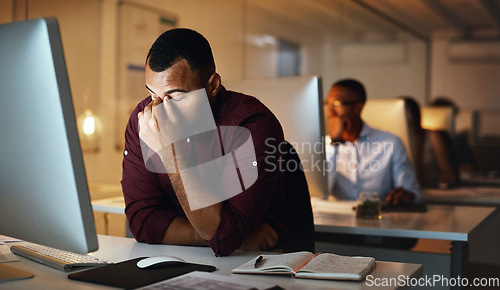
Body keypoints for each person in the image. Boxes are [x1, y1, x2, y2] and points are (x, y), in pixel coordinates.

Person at [121, 28, 306, 256]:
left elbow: (224, 238)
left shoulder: (253, 125)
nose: (159, 111)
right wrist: (235, 237)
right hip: (181, 259)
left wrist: (170, 152)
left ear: (213, 85)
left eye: (176, 96)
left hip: (255, 264)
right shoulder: (143, 119)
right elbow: (143, 222)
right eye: (152, 94)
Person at [325, 79, 423, 205]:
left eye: (337, 103)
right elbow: (320, 193)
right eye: (328, 103)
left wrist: (406, 196)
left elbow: (415, 194)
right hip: (336, 219)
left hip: (378, 218)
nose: (330, 111)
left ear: (358, 107)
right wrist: (334, 143)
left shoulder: (390, 143)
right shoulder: (325, 145)